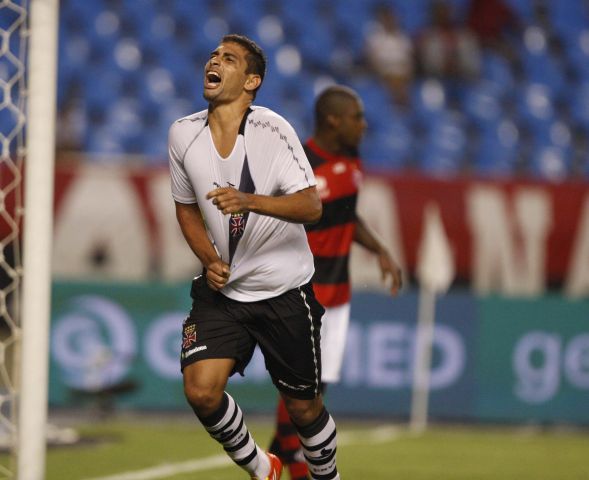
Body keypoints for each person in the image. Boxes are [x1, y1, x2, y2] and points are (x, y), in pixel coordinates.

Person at [167, 34, 341, 480]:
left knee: (304, 409)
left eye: (229, 58)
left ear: (251, 81)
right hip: (224, 293)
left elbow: (311, 206)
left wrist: (249, 201)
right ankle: (263, 468)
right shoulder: (183, 133)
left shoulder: (272, 130)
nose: (215, 60)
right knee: (202, 392)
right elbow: (185, 206)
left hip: (284, 289)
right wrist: (208, 258)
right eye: (213, 55)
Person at [269, 85, 403, 479]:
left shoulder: (352, 159)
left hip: (338, 298)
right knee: (299, 398)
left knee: (315, 396)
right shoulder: (301, 165)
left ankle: (277, 465)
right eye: (357, 117)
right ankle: (289, 468)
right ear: (333, 120)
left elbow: (348, 215)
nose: (364, 125)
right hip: (303, 295)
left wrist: (379, 248)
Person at [364, 4, 414, 106]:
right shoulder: (376, 37)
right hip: (384, 76)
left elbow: (410, 61)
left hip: (402, 77)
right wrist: (386, 74)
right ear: (382, 20)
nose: (390, 21)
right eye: (387, 18)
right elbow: (371, 60)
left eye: (392, 18)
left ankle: (402, 104)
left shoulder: (403, 38)